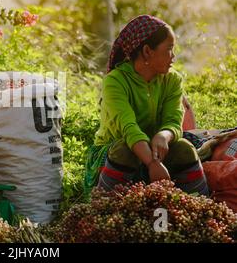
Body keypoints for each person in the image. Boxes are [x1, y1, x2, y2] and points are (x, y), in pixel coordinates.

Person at [84, 15, 209, 198]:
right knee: (124, 150)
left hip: (157, 150)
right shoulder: (115, 82)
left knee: (184, 147)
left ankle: (200, 206)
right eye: (169, 49)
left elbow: (174, 120)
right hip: (117, 152)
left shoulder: (172, 80)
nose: (173, 56)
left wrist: (163, 136)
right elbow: (128, 128)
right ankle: (104, 210)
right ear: (147, 51)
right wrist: (151, 163)